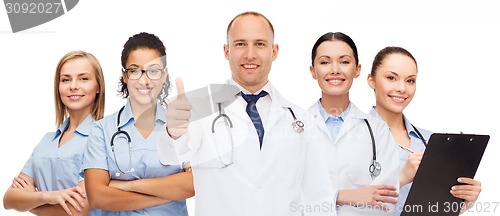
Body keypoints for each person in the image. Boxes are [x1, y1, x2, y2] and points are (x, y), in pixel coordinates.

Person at [163, 11, 336, 216]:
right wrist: (173, 132)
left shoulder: (302, 120)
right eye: (240, 44)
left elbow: (319, 197)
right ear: (226, 51)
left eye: (260, 44)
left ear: (274, 51)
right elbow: (170, 156)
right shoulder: (200, 109)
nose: (250, 54)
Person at [82, 32, 193, 216]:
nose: (144, 80)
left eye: (154, 70)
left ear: (164, 75)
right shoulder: (102, 130)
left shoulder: (181, 124)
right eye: (135, 70)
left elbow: (195, 183)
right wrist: (169, 193)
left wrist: (129, 185)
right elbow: (98, 197)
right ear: (124, 76)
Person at [367, 46, 482, 215]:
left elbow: (437, 207)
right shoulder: (349, 137)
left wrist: (464, 201)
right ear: (371, 80)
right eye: (391, 78)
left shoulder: (430, 141)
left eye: (410, 80)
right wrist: (402, 177)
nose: (402, 88)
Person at [3, 50, 105, 216]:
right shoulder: (46, 141)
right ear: (58, 87)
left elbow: (78, 208)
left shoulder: (103, 138)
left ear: (98, 86)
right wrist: (48, 196)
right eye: (65, 79)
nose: (73, 86)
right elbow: (8, 199)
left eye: (83, 78)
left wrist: (30, 201)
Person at [307, 32, 399, 215]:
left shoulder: (378, 131)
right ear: (313, 71)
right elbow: (286, 198)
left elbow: (386, 203)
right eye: (325, 62)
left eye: (344, 62)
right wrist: (344, 196)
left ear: (357, 70)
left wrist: (321, 200)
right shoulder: (295, 127)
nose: (335, 69)